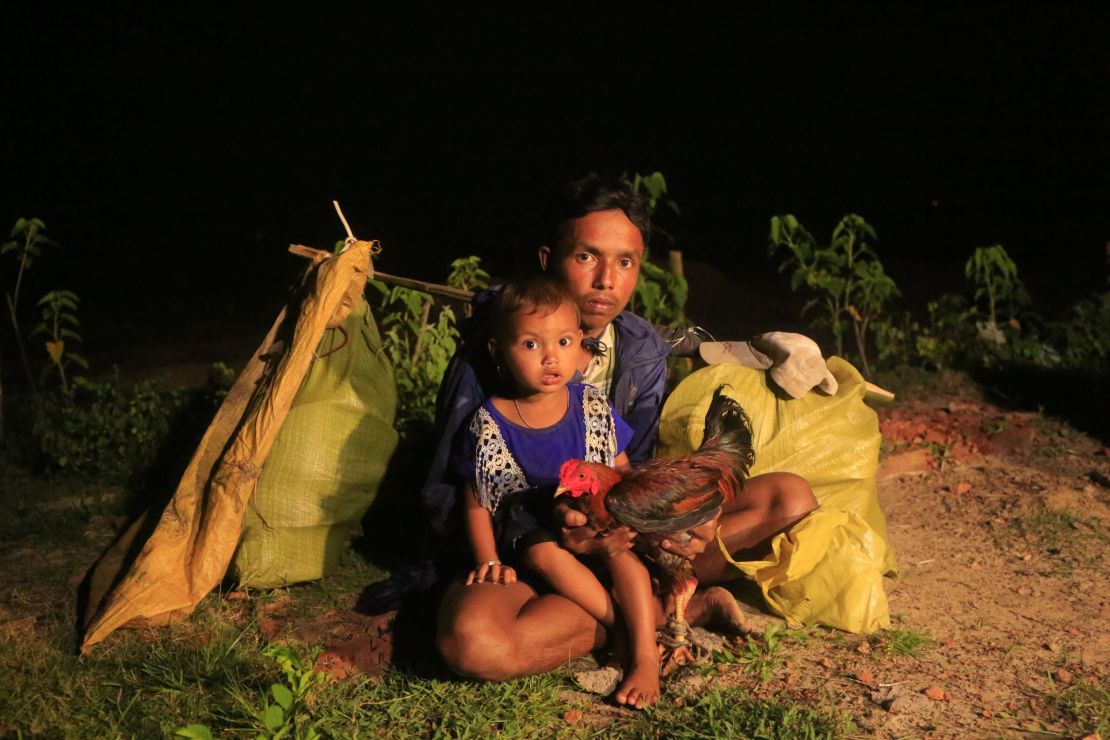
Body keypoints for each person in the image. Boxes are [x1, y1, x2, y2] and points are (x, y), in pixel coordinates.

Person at [431, 173, 818, 686]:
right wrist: (552, 544)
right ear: (549, 259)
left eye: (626, 262)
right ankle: (662, 614)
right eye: (587, 256)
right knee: (476, 643)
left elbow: (630, 464)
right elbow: (449, 498)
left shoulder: (639, 349)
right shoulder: (494, 348)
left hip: (614, 533)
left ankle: (643, 600)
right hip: (528, 552)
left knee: (786, 497)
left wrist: (663, 522)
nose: (606, 280)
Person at [450, 274, 664, 707]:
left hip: (592, 511)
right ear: (500, 351)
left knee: (622, 557)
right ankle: (620, 625)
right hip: (530, 519)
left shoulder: (590, 405)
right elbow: (475, 502)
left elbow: (620, 468)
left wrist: (622, 518)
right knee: (542, 553)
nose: (551, 358)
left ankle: (645, 655)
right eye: (531, 345)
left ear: (581, 345)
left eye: (564, 342)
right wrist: (488, 559)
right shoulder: (490, 422)